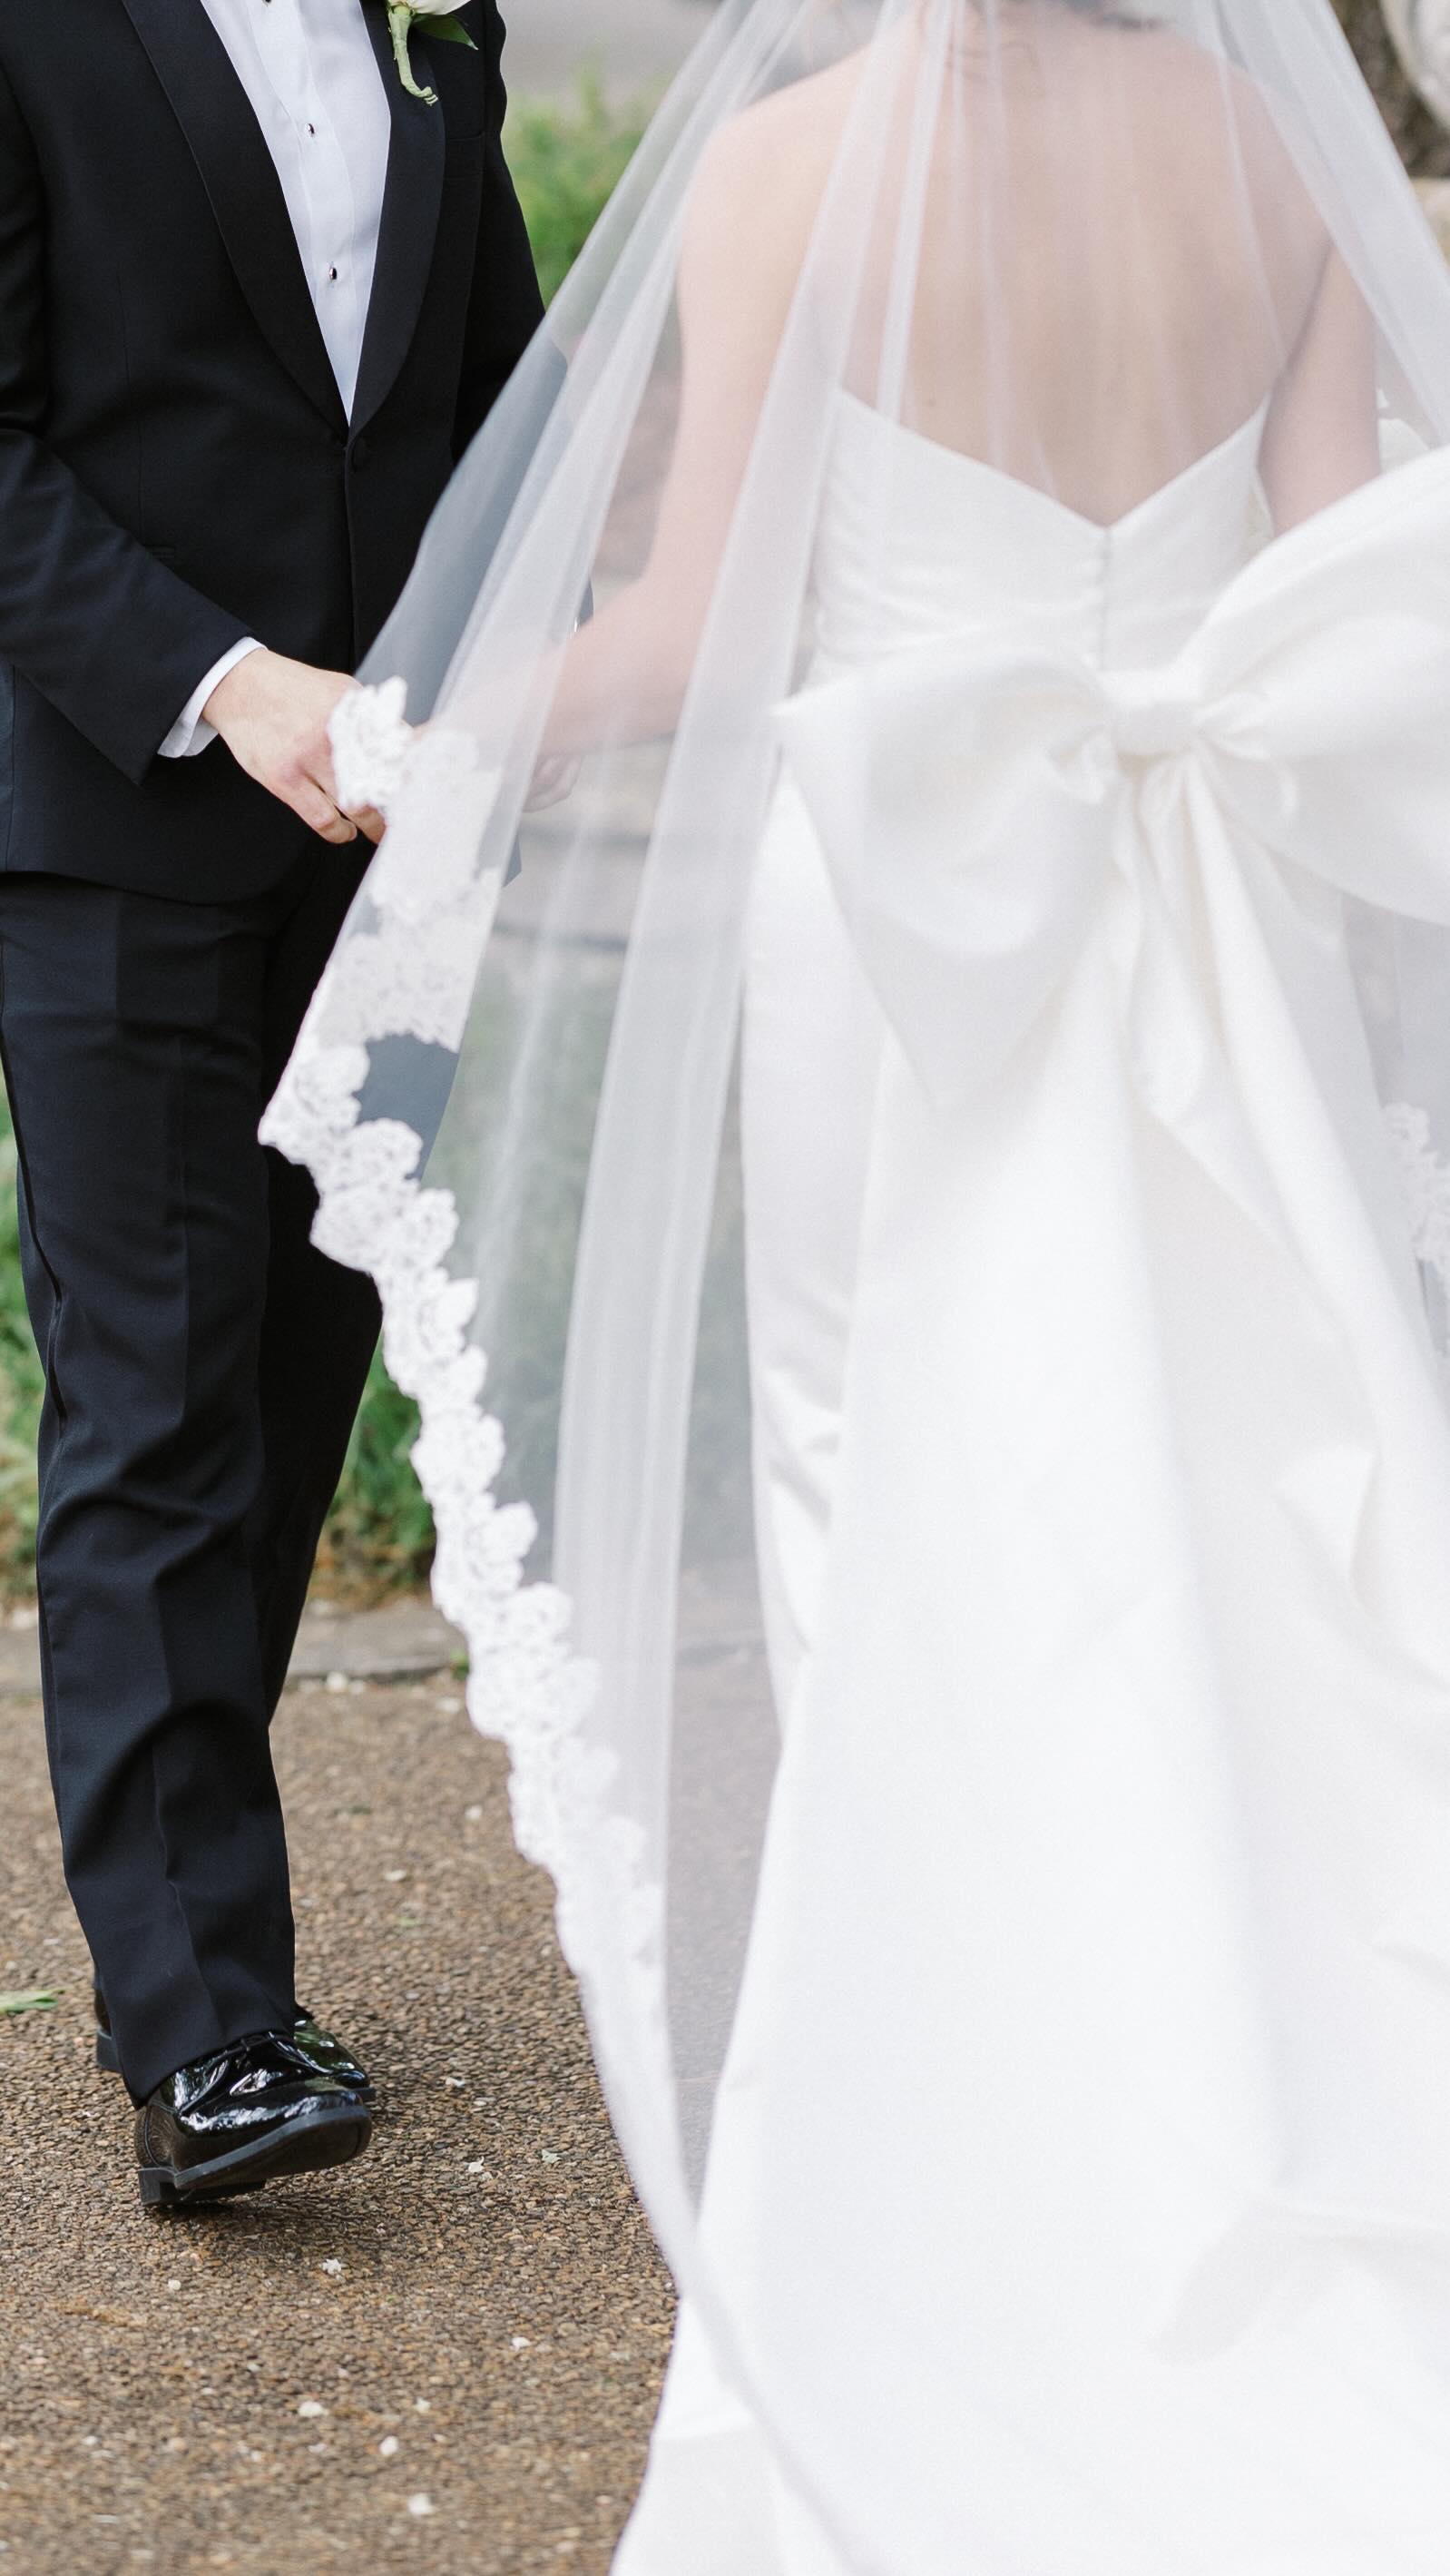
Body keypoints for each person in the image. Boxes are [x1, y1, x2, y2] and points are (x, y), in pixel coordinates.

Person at [269, 0, 1450, 2561]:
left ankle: (929, 2191)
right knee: (1241, 1519)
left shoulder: (787, 167)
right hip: (1204, 914)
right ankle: (1250, 2112)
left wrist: (415, 742)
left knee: (880, 1532)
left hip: (894, 944)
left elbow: (690, 640)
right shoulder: (1273, 142)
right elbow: (1335, 541)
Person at [0, 0, 542, 2208]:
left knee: (293, 1389)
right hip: (119, 808)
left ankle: (186, 1948)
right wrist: (227, 689)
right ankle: (210, 2029)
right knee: (151, 1405)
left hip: (393, 839)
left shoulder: (443, 14)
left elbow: (506, 388)